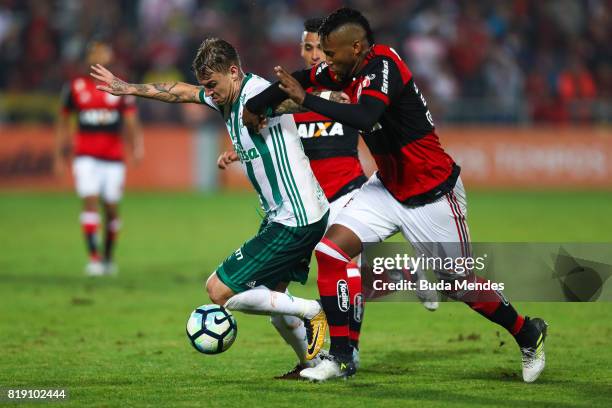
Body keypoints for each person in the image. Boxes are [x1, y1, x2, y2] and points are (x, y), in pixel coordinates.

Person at [244, 8, 548, 383]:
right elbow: (301, 79)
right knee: (331, 252)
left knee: (460, 285)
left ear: (356, 47)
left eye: (331, 52)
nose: (326, 60)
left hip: (434, 194)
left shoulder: (384, 65)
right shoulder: (342, 69)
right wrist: (254, 106)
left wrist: (306, 100)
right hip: (387, 188)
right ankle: (340, 358)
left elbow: (365, 116)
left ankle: (526, 331)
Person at [91, 37, 331, 374]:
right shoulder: (224, 97)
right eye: (206, 85)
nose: (209, 92)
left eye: (213, 84)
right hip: (290, 214)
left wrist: (347, 100)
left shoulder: (258, 96)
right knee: (275, 304)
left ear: (233, 72)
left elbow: (300, 102)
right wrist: (127, 86)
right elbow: (180, 91)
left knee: (220, 291)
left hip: (296, 217)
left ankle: (313, 310)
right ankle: (312, 364)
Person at [217, 17, 439, 379]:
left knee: (342, 270)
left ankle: (346, 353)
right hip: (306, 204)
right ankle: (400, 278)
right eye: (306, 47)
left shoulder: (345, 88)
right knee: (282, 297)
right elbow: (274, 144)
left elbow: (363, 107)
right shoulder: (294, 94)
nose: (312, 54)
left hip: (347, 193)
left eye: (318, 48)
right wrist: (241, 150)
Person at [54, 40, 144, 276]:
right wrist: (59, 155)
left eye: (104, 52)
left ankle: (108, 257)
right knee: (90, 201)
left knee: (111, 208)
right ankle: (93, 258)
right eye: (95, 53)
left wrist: (136, 147)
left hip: (113, 158)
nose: (99, 56)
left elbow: (131, 121)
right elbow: (63, 122)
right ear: (88, 58)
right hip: (85, 157)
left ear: (110, 58)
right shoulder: (74, 87)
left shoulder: (119, 87)